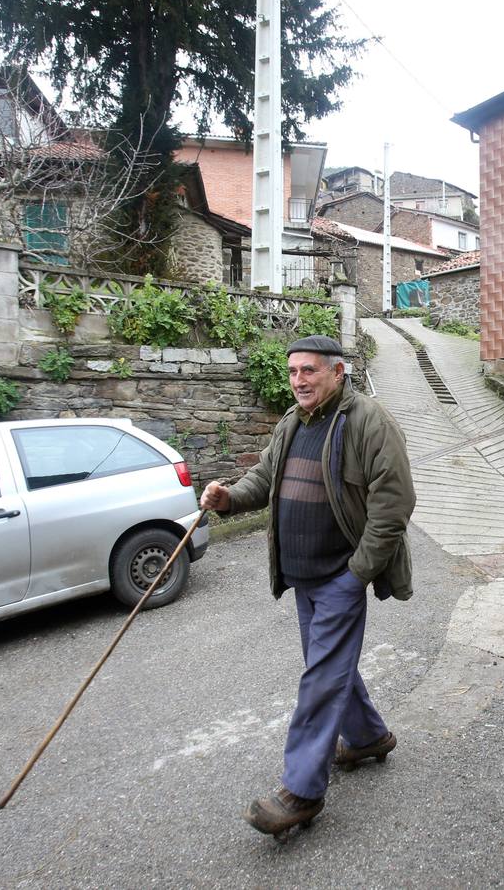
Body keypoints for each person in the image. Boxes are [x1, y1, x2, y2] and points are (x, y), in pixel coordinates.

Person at [198, 334, 416, 836]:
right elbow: (263, 479)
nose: (299, 380)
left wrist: (358, 572)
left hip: (341, 575)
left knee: (320, 678)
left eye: (310, 371)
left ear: (337, 372)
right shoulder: (292, 424)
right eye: (294, 371)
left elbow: (394, 504)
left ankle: (301, 791)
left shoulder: (369, 423)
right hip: (302, 577)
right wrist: (228, 497)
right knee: (328, 667)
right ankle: (366, 737)